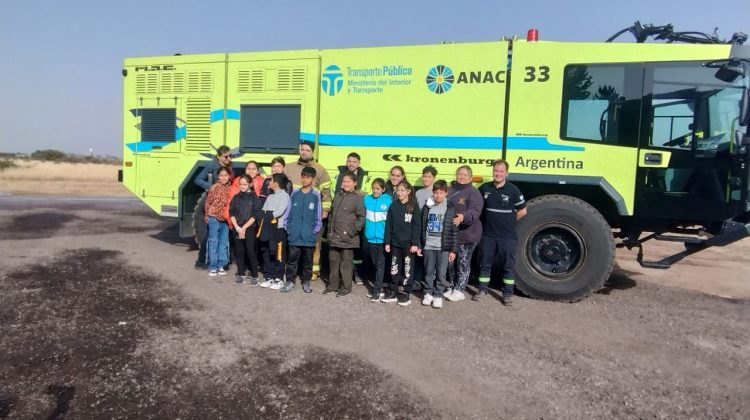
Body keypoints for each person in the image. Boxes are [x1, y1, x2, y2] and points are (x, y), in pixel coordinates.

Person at [475, 160, 527, 305]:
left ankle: (508, 294)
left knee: (508, 266)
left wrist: (509, 221)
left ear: (506, 173)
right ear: (492, 172)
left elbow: (523, 210)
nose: (498, 174)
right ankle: (482, 290)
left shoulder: (513, 190)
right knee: (484, 264)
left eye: (501, 171)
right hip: (488, 235)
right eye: (496, 171)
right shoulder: (484, 188)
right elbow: (477, 206)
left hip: (507, 236)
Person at [284, 140, 332, 281]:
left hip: (312, 214)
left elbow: (326, 192)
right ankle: (293, 270)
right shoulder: (289, 168)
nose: (304, 152)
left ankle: (313, 270)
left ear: (313, 152)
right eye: (302, 149)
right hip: (295, 213)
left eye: (307, 150)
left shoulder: (320, 169)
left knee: (314, 243)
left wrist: (325, 210)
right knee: (293, 243)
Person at [445, 165, 484, 302]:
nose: (462, 177)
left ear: (470, 177)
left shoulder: (473, 192)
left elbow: (475, 211)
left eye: (465, 175)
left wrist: (463, 217)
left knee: (463, 262)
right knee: (450, 261)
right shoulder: (450, 190)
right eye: (460, 174)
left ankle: (460, 289)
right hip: (451, 234)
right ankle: (452, 286)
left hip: (467, 234)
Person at [282, 166, 323, 294]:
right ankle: (290, 282)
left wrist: (314, 230)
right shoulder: (294, 194)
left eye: (308, 177)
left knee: (307, 262)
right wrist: (288, 227)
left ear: (313, 179)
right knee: (292, 261)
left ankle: (306, 281)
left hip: (308, 236)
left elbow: (318, 215)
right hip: (294, 234)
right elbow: (288, 212)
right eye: (303, 177)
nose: (305, 180)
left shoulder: (315, 196)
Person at [324, 171, 365, 297]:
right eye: (344, 181)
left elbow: (362, 217)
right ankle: (333, 285)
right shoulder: (338, 196)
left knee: (346, 264)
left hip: (348, 238)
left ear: (354, 183)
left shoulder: (357, 199)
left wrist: (353, 231)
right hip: (334, 236)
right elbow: (332, 216)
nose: (345, 184)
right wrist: (330, 232)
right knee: (333, 261)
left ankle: (346, 288)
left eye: (348, 182)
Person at [382, 180, 422, 306]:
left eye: (402, 190)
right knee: (394, 267)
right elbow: (389, 225)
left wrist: (415, 243)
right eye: (398, 190)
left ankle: (405, 292)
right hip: (395, 243)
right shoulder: (393, 206)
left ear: (408, 192)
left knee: (407, 268)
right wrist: (387, 242)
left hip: (409, 245)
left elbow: (417, 226)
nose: (399, 193)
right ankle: (393, 290)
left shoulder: (413, 206)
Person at [419, 180, 457, 309]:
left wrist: (453, 250)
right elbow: (422, 226)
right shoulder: (427, 206)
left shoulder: (450, 207)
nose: (438, 195)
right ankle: (428, 293)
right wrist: (420, 244)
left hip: (443, 247)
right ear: (432, 193)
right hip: (429, 245)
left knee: (441, 273)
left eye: (441, 193)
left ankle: (438, 295)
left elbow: (454, 230)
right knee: (429, 271)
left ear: (446, 193)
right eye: (436, 193)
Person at [194, 145, 233, 269]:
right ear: (218, 156)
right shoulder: (212, 165)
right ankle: (201, 261)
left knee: (223, 236)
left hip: (224, 205)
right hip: (212, 204)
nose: (229, 158)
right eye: (226, 156)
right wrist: (211, 186)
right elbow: (198, 179)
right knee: (210, 235)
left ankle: (222, 262)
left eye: (230, 155)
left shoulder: (230, 168)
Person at [334, 152, 369, 284]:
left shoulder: (365, 177)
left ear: (359, 163)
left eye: (354, 161)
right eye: (349, 161)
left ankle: (357, 273)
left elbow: (366, 194)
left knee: (357, 247)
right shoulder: (339, 176)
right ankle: (341, 274)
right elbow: (335, 192)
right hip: (341, 215)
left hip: (356, 215)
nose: (351, 164)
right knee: (340, 246)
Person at [258, 173, 291, 290]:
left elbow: (279, 212)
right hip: (267, 228)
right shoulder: (270, 196)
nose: (269, 182)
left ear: (276, 183)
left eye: (271, 180)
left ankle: (279, 277)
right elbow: (263, 210)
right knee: (266, 251)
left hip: (278, 229)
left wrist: (268, 214)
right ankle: (269, 276)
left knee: (278, 252)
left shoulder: (285, 196)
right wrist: (266, 214)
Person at [229, 175, 262, 285]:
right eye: (241, 184)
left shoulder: (255, 198)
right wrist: (238, 228)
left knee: (250, 251)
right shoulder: (236, 197)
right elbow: (232, 213)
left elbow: (255, 215)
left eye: (245, 184)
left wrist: (244, 228)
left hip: (249, 228)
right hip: (237, 228)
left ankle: (255, 275)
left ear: (250, 184)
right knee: (239, 251)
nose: (242, 186)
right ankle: (241, 274)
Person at [363, 178, 392, 302]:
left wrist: (388, 238)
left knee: (380, 265)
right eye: (373, 188)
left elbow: (391, 221)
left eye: (378, 189)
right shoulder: (367, 200)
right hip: (370, 238)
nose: (375, 191)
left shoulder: (388, 201)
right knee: (376, 264)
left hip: (382, 239)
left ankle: (377, 291)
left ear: (383, 189)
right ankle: (379, 286)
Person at [204, 166, 233, 277]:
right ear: (218, 176)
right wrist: (207, 215)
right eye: (221, 175)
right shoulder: (214, 187)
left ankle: (221, 264)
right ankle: (213, 266)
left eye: (226, 175)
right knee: (213, 241)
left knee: (224, 242)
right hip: (214, 217)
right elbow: (208, 202)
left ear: (229, 176)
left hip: (225, 219)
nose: (224, 177)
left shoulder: (231, 188)